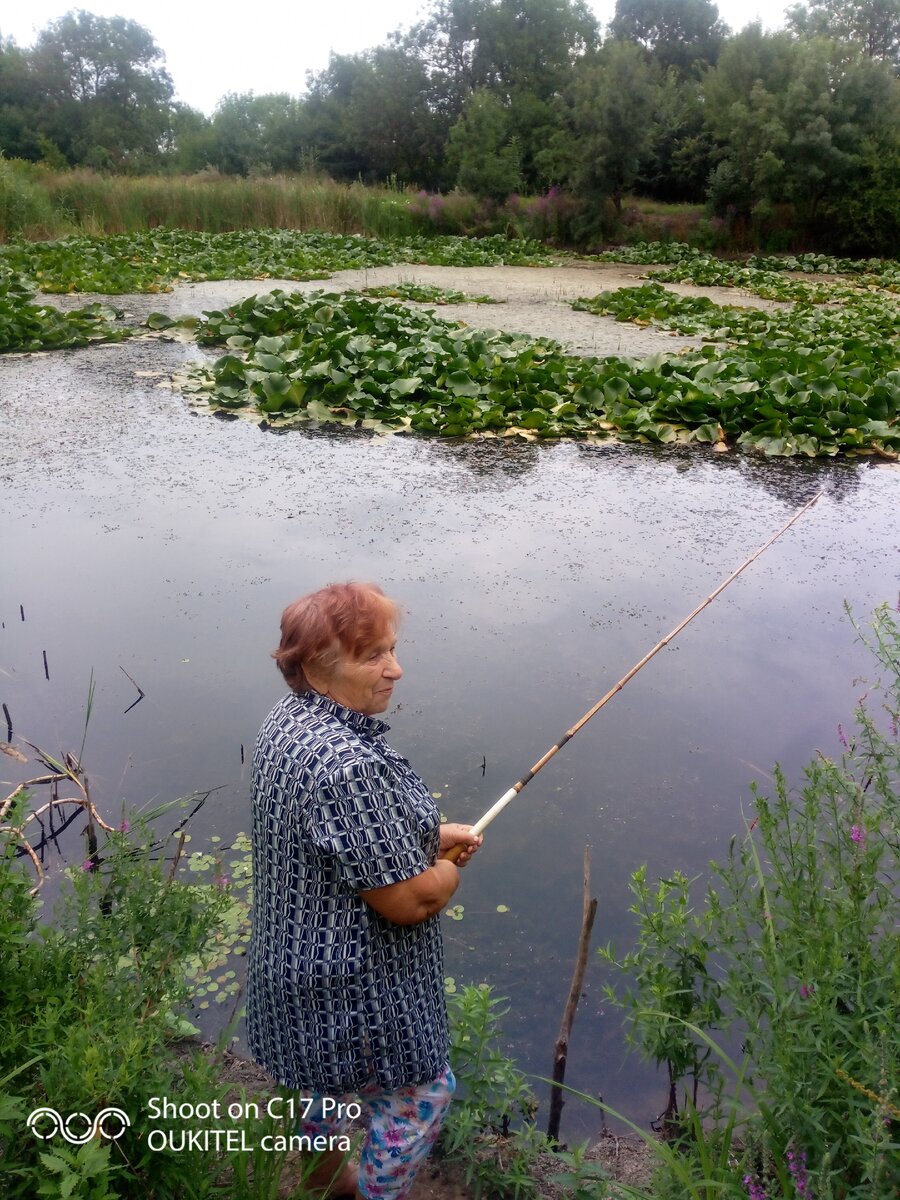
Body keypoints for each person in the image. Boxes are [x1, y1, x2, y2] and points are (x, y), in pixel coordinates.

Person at [246, 581, 482, 1200]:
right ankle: (376, 1195)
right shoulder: (349, 765)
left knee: (313, 1086)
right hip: (351, 988)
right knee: (421, 1097)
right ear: (322, 667)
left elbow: (340, 837)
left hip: (289, 965)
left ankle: (325, 1182)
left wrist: (430, 833)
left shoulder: (286, 724)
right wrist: (448, 871)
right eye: (373, 655)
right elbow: (410, 902)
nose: (396, 670)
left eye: (392, 650)